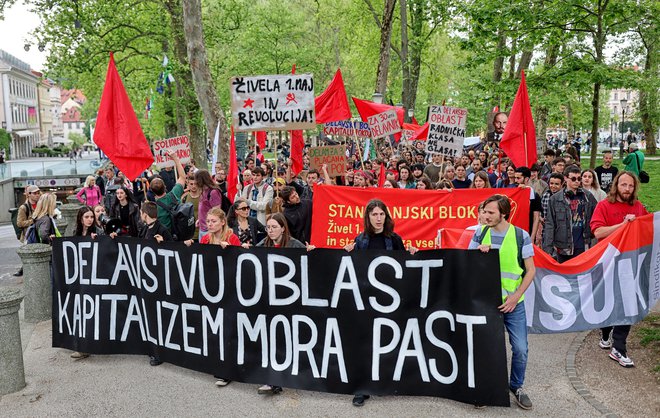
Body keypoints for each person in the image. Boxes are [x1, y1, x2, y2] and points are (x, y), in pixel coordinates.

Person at [343, 199, 418, 407]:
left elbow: (405, 267)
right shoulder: (360, 240)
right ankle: (362, 388)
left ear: (387, 216)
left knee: (387, 341)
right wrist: (348, 252)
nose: (378, 218)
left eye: (381, 214)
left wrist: (412, 254)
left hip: (389, 301)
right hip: (367, 300)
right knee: (365, 344)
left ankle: (385, 381)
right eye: (374, 214)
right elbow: (353, 270)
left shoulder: (394, 240)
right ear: (367, 217)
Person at [469, 194, 535, 410]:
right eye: (484, 211)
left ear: (503, 214)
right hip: (487, 303)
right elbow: (466, 263)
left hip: (514, 303)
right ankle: (487, 389)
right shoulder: (479, 233)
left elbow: (531, 271)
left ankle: (516, 386)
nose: (485, 216)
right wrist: (478, 255)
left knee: (521, 348)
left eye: (490, 212)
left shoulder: (520, 235)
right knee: (487, 347)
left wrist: (515, 297)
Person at [590, 171, 648, 367]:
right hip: (607, 263)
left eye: (631, 186)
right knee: (608, 303)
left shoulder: (638, 207)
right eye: (624, 185)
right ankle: (606, 332)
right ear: (616, 185)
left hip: (630, 265)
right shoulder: (604, 205)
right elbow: (598, 232)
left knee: (627, 303)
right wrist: (622, 226)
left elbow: (649, 228)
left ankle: (619, 347)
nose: (627, 189)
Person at [255, 212, 315, 396]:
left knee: (289, 340)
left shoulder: (295, 245)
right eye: (268, 227)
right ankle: (274, 380)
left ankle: (290, 374)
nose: (270, 231)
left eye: (274, 227)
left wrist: (312, 253)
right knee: (274, 340)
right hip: (270, 302)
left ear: (283, 228)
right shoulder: (262, 245)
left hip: (291, 302)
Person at [543, 166, 597, 262]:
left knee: (582, 274)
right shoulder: (555, 199)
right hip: (563, 246)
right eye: (573, 179)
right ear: (565, 178)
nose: (577, 181)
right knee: (563, 275)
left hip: (583, 244)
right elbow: (549, 224)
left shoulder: (588, 196)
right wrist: (548, 250)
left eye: (579, 179)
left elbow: (597, 215)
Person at [152, 151, 186, 234]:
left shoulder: (153, 209)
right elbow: (182, 177)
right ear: (165, 187)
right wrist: (176, 159)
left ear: (152, 192)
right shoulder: (174, 194)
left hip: (166, 240)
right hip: (180, 234)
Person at [513, 167, 542, 250]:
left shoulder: (534, 196)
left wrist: (532, 237)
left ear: (526, 179)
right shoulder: (512, 192)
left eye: (518, 178)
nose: (516, 181)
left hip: (526, 233)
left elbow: (536, 218)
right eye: (515, 178)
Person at [15, 185, 41, 276]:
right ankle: (24, 270)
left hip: (40, 233)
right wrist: (32, 221)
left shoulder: (41, 204)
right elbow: (19, 223)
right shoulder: (24, 207)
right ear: (29, 194)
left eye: (38, 193)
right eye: (35, 193)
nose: (37, 195)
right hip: (29, 235)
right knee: (30, 254)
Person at [195, 169, 228, 239]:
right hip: (202, 228)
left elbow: (217, 212)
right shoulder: (203, 191)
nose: (195, 182)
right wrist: (200, 219)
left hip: (210, 230)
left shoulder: (213, 192)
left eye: (196, 179)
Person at [182, 174, 201, 240]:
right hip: (189, 233)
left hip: (202, 231)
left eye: (195, 184)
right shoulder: (184, 197)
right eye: (191, 184)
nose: (193, 186)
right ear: (188, 184)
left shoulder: (203, 196)